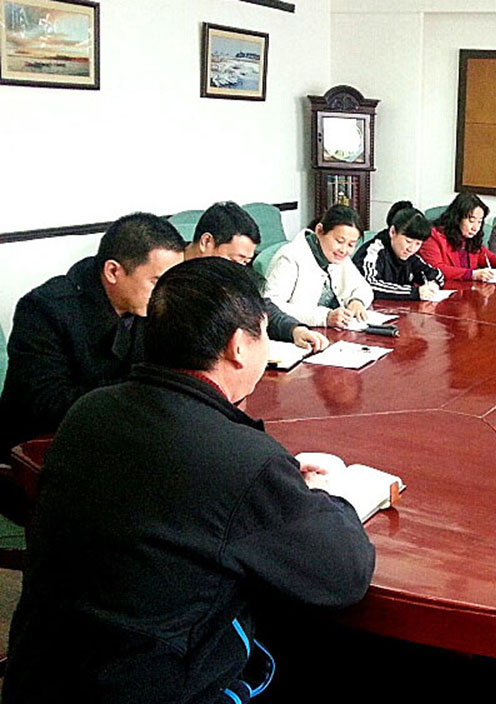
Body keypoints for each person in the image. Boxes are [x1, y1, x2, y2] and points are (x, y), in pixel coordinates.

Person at [2, 258, 376, 703]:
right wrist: (328, 496)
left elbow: (176, 487)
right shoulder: (243, 460)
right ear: (238, 346)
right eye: (264, 333)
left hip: (40, 683)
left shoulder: (88, 412)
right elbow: (345, 575)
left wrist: (274, 486)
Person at [0, 212, 185, 462]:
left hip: (121, 436)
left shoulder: (153, 304)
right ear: (113, 271)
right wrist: (142, 391)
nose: (166, 292)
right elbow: (44, 406)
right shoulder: (45, 309)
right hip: (44, 451)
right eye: (157, 281)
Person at [186, 201, 328, 351]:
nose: (239, 270)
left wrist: (295, 330)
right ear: (206, 242)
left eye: (245, 262)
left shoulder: (223, 273)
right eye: (236, 260)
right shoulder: (173, 273)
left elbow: (259, 307)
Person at [262, 204, 374, 328]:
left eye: (351, 245)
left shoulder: (339, 257)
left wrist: (357, 301)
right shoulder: (291, 256)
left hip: (333, 331)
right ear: (319, 231)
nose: (344, 250)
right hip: (298, 332)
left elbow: (363, 287)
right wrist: (325, 317)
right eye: (339, 241)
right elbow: (271, 306)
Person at [419, 191, 496, 281]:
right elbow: (436, 268)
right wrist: (472, 274)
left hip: (466, 291)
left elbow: (486, 256)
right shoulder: (433, 236)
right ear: (457, 218)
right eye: (471, 221)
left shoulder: (469, 238)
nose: (476, 227)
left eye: (479, 222)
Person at [353, 206, 445, 300]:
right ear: (392, 232)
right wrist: (414, 293)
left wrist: (433, 284)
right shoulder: (373, 251)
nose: (411, 249)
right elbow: (369, 285)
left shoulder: (410, 256)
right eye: (408, 241)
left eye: (418, 244)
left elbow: (437, 275)